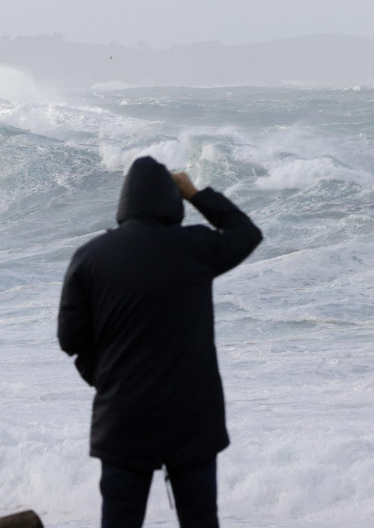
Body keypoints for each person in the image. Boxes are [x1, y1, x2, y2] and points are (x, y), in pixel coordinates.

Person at [57, 156, 262, 527]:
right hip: (193, 416)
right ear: (171, 199)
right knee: (200, 520)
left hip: (123, 414)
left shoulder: (90, 256)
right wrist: (197, 194)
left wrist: (105, 380)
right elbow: (246, 233)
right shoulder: (195, 248)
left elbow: (70, 338)